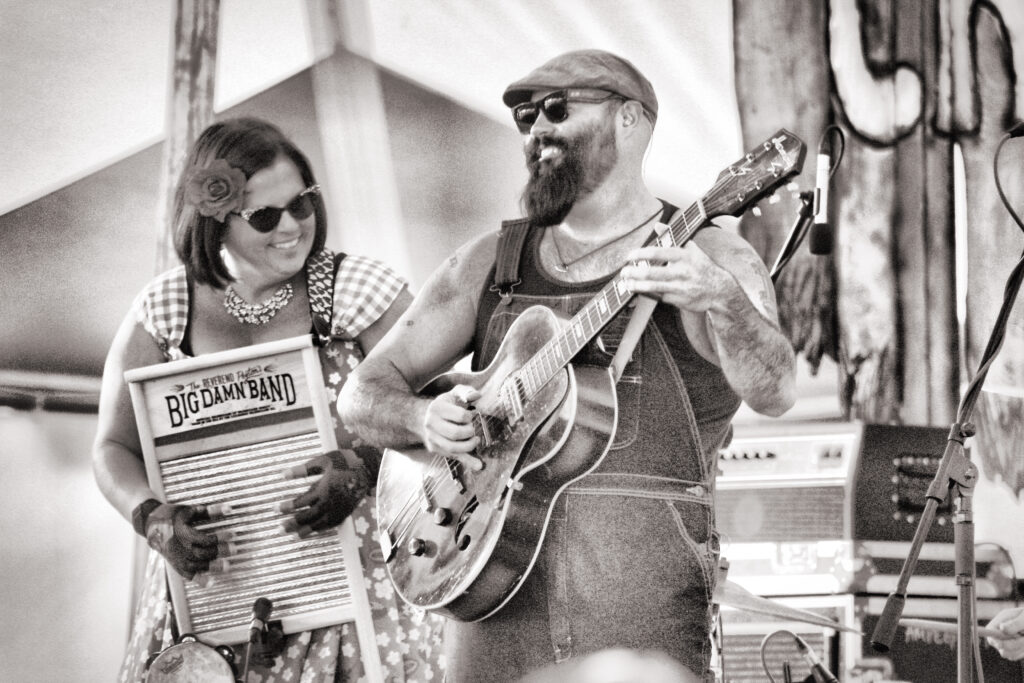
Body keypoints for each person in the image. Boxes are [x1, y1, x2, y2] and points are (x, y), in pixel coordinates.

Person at [338, 49, 797, 683]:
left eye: (557, 109)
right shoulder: (489, 263)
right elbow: (360, 394)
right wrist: (421, 419)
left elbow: (777, 391)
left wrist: (720, 298)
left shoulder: (712, 258)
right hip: (489, 605)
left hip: (641, 616)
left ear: (630, 120)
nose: (537, 130)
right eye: (526, 118)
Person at [92, 117, 446, 682]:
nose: (291, 227)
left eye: (302, 204)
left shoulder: (357, 292)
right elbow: (112, 448)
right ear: (213, 220)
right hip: (211, 609)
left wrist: (364, 466)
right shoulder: (166, 311)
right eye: (264, 216)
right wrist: (154, 519)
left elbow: (443, 419)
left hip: (357, 595)